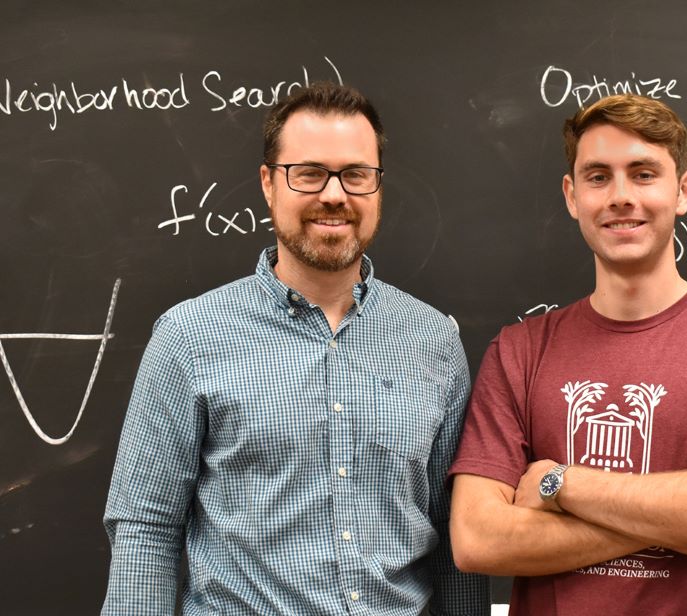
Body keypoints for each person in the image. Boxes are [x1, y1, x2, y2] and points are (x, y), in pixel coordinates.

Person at [103, 82, 488, 615]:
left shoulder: (433, 341)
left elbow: (453, 535)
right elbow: (145, 529)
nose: (335, 195)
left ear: (378, 187)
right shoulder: (189, 336)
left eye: (356, 174)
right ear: (268, 183)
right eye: (309, 173)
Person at [448, 93, 687, 615]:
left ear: (684, 190)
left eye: (643, 174)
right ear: (572, 196)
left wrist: (559, 483)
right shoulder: (519, 351)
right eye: (598, 177)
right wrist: (682, 522)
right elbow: (477, 539)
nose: (620, 196)